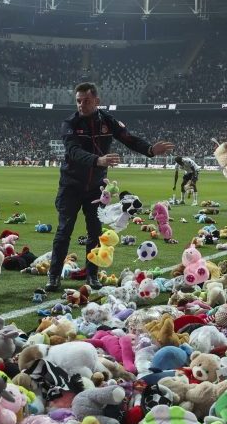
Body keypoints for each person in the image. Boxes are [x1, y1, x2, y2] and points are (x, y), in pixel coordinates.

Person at [44, 82, 174, 293]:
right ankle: (53, 276)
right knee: (63, 230)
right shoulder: (70, 123)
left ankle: (92, 275)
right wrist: (99, 160)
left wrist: (150, 149)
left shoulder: (107, 121)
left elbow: (128, 139)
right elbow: (73, 151)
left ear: (97, 101)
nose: (81, 105)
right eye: (78, 101)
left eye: (86, 101)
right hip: (70, 186)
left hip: (96, 189)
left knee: (95, 232)